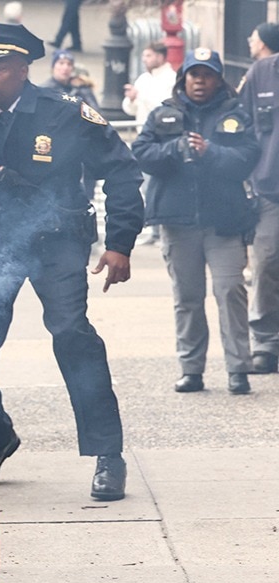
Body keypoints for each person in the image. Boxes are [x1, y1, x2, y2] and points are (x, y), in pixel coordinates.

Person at [0, 22, 144, 501]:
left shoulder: (65, 112)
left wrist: (120, 242)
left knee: (72, 335)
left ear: (24, 68)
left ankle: (107, 455)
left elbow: (123, 171)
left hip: (57, 240)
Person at [131, 49, 260, 395]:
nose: (200, 81)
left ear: (219, 79)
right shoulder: (164, 114)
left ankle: (238, 369)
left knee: (230, 291)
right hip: (178, 222)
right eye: (194, 74)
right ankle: (191, 370)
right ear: (183, 79)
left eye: (207, 75)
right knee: (187, 297)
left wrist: (211, 152)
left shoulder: (236, 115)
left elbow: (248, 157)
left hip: (224, 222)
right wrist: (176, 149)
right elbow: (140, 153)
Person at [239, 26, 279, 375]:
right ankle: (266, 344)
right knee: (266, 265)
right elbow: (240, 125)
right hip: (270, 190)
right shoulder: (261, 72)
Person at [124, 41, 177, 246]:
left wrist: (141, 96)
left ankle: (160, 228)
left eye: (149, 56)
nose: (145, 59)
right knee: (145, 186)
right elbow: (131, 109)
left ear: (161, 57)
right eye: (144, 56)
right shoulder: (143, 79)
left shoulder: (171, 79)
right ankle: (153, 228)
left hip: (162, 139)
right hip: (143, 138)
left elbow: (164, 105)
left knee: (156, 185)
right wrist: (131, 99)